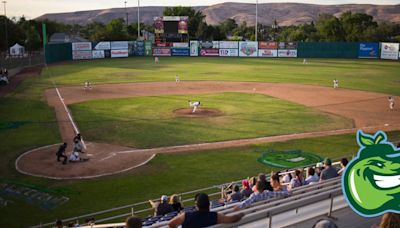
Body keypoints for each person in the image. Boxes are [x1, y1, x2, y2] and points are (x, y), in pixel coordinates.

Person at [169, 193, 244, 228]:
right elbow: (232, 219)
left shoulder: (186, 216)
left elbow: (170, 224)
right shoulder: (215, 216)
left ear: (196, 205)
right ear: (208, 205)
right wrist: (241, 214)